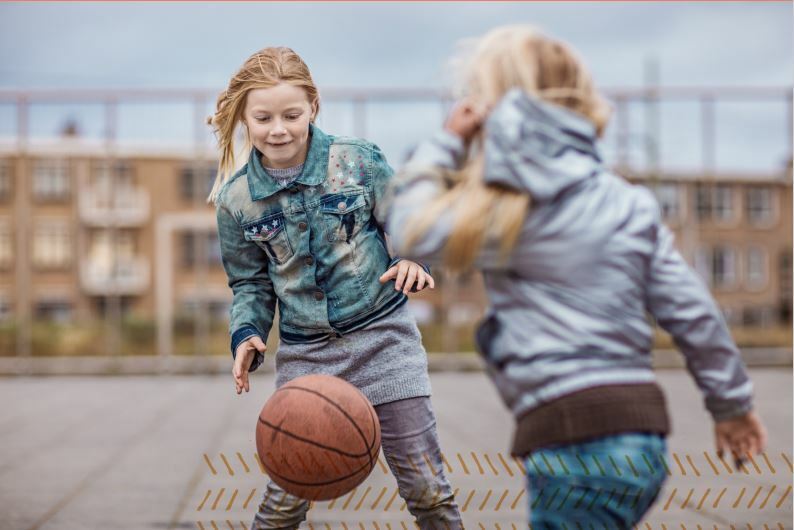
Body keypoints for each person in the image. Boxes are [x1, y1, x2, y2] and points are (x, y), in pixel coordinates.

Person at [386, 25, 767, 529]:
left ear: (488, 115)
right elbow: (694, 311)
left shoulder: (509, 209)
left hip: (573, 443)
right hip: (643, 439)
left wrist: (447, 142)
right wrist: (732, 405)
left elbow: (409, 228)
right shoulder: (627, 201)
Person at [208, 47, 462, 530]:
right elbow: (250, 284)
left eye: (291, 114)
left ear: (314, 107)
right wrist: (246, 336)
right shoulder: (235, 201)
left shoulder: (358, 162)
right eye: (263, 117)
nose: (277, 128)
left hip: (385, 343)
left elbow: (408, 224)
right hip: (309, 362)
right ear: (244, 116)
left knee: (428, 491)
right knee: (283, 502)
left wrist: (413, 257)